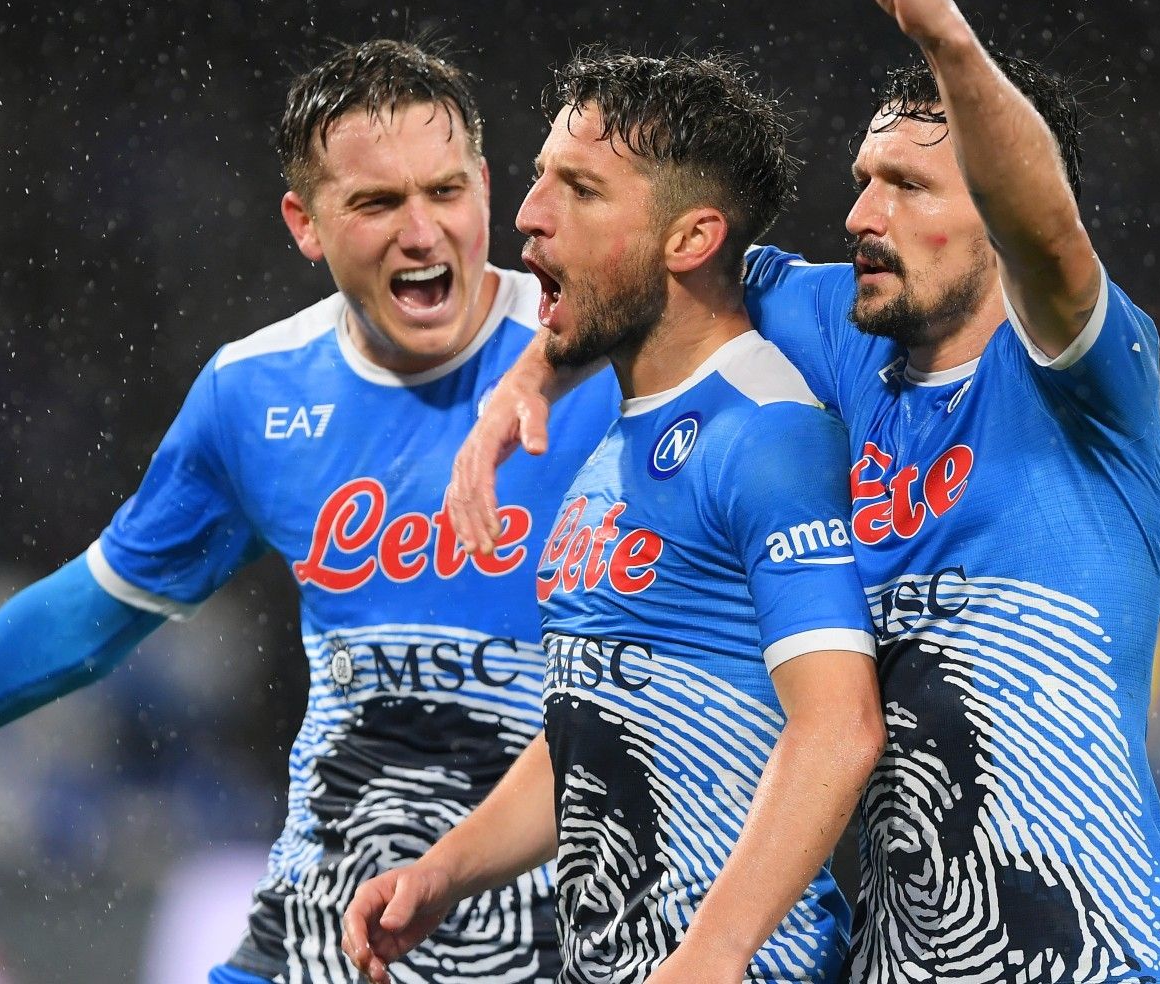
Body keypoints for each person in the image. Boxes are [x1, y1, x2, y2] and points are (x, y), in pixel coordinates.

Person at [0, 38, 623, 984]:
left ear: (488, 187)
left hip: (570, 926)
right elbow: (94, 614)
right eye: (376, 203)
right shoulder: (255, 396)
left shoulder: (620, 354)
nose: (423, 232)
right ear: (305, 223)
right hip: (327, 929)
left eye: (445, 191)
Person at [446, 0, 1160, 982]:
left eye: (909, 185)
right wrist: (530, 376)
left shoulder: (1089, 381)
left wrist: (942, 29)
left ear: (995, 215)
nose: (861, 213)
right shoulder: (849, 345)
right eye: (864, 179)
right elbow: (648, 273)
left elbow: (1047, 231)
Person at [340, 52, 885, 984]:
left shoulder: (768, 438)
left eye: (581, 190)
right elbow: (596, 724)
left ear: (691, 239)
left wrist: (715, 951)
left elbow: (840, 727)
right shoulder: (614, 442)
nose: (528, 213)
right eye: (541, 176)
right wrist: (446, 871)